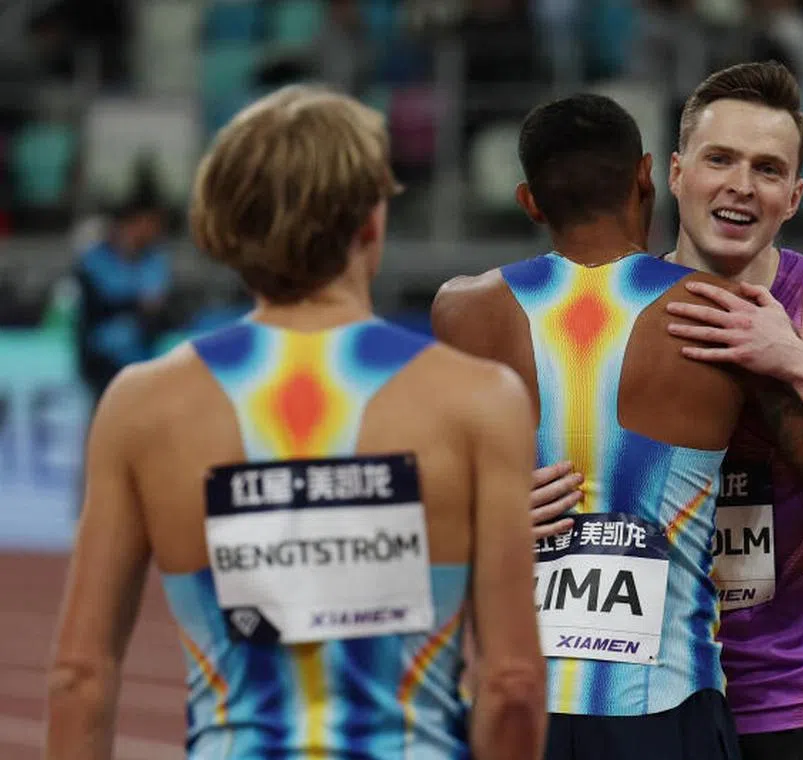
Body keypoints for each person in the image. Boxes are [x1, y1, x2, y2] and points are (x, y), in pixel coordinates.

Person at [45, 85, 547, 760]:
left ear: (225, 223)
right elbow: (511, 683)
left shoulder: (142, 406)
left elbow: (79, 675)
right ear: (370, 223)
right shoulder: (478, 401)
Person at [531, 62, 803, 758]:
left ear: (794, 196)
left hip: (800, 699)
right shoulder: (603, 309)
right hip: (649, 702)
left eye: (768, 169)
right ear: (676, 173)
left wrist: (795, 359)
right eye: (720, 159)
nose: (741, 185)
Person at [431, 93, 745, 760]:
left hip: (517, 709)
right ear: (646, 176)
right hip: (665, 704)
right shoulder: (721, 313)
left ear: (529, 202)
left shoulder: (462, 311)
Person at [73, 170, 171, 404]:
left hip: (142, 361)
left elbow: (161, 308)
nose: (154, 231)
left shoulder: (155, 261)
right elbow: (93, 307)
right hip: (102, 361)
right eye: (150, 223)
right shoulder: (94, 260)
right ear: (131, 223)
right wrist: (136, 303)